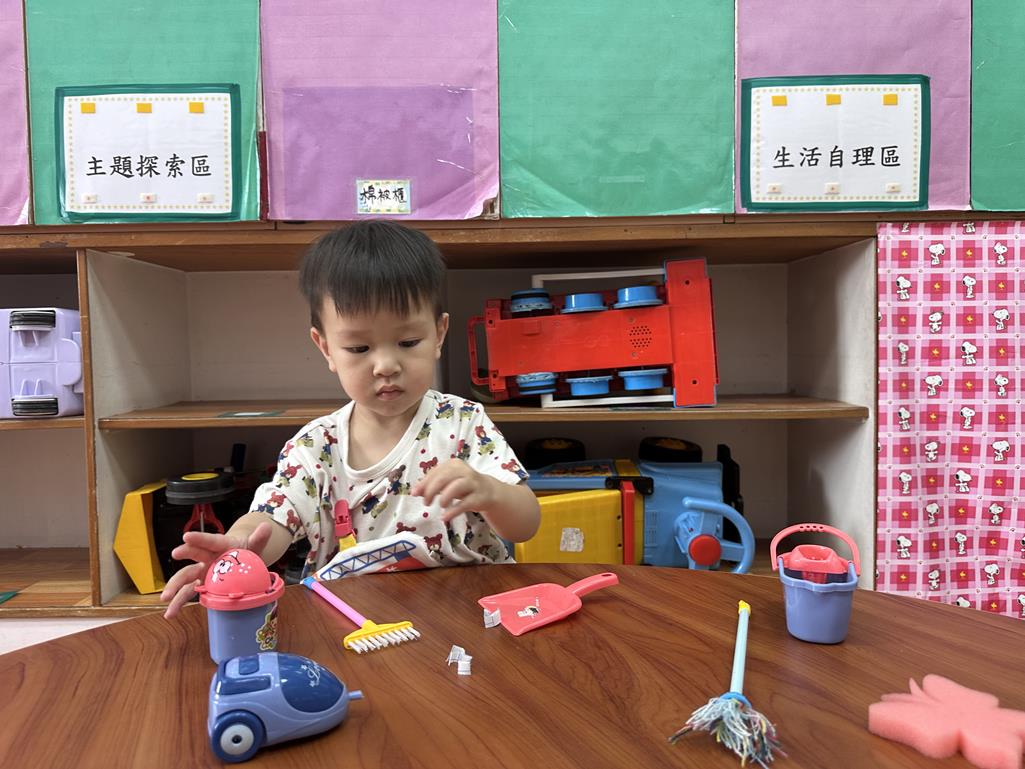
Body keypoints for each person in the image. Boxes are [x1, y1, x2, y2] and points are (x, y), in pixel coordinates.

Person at [162, 221, 540, 618]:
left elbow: (526, 523)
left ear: (439, 334)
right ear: (326, 348)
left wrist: (493, 494)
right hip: (355, 622)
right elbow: (273, 517)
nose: (386, 365)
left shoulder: (462, 423)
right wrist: (240, 547)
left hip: (468, 613)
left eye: (408, 342)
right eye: (359, 348)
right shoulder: (316, 446)